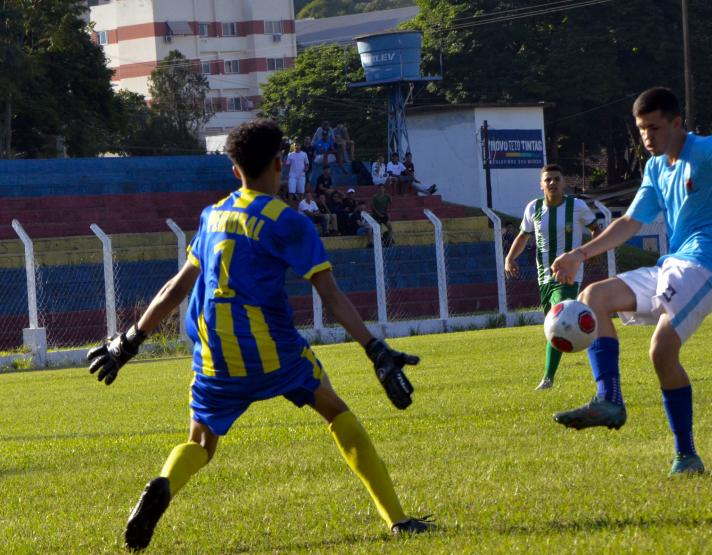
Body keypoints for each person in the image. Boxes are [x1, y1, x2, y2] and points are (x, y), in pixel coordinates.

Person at [86, 119, 432, 551]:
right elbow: (329, 293)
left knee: (199, 443)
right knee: (335, 410)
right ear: (279, 164)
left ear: (235, 170)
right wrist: (374, 348)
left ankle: (163, 483)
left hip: (215, 357)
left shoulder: (213, 216)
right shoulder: (289, 222)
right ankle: (397, 519)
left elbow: (176, 287)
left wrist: (129, 340)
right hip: (274, 351)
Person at [550, 88, 712, 476]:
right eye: (640, 129)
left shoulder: (703, 150)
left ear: (676, 123)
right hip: (676, 263)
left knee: (661, 349)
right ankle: (609, 400)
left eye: (654, 127)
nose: (647, 136)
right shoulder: (655, 168)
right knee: (593, 296)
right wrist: (579, 254)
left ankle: (686, 455)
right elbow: (630, 223)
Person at [504, 164, 599, 390]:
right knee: (551, 323)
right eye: (548, 180)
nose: (552, 183)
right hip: (543, 276)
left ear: (563, 182)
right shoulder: (533, 208)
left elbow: (596, 229)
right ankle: (583, 348)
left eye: (557, 179)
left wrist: (591, 252)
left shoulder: (576, 206)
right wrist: (509, 258)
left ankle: (548, 378)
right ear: (541, 184)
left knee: (557, 321)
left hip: (568, 274)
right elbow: (523, 236)